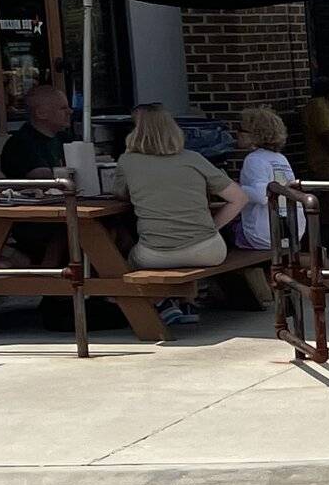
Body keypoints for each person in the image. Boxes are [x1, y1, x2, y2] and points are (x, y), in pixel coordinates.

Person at [117, 103, 244, 325]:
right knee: (182, 258)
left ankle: (161, 301)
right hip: (208, 250)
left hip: (155, 253)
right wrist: (213, 228)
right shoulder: (193, 159)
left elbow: (119, 193)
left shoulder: (128, 161)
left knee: (125, 256)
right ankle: (186, 302)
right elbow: (239, 198)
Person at [229, 108, 295, 252]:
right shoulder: (280, 159)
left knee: (223, 233)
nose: (236, 133)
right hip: (290, 232)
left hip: (261, 235)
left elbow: (260, 195)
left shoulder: (253, 159)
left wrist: (235, 187)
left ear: (255, 135)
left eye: (240, 129)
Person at [0, 83, 74, 181]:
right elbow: (41, 176)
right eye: (63, 108)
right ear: (41, 113)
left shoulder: (64, 138)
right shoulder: (20, 144)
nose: (70, 111)